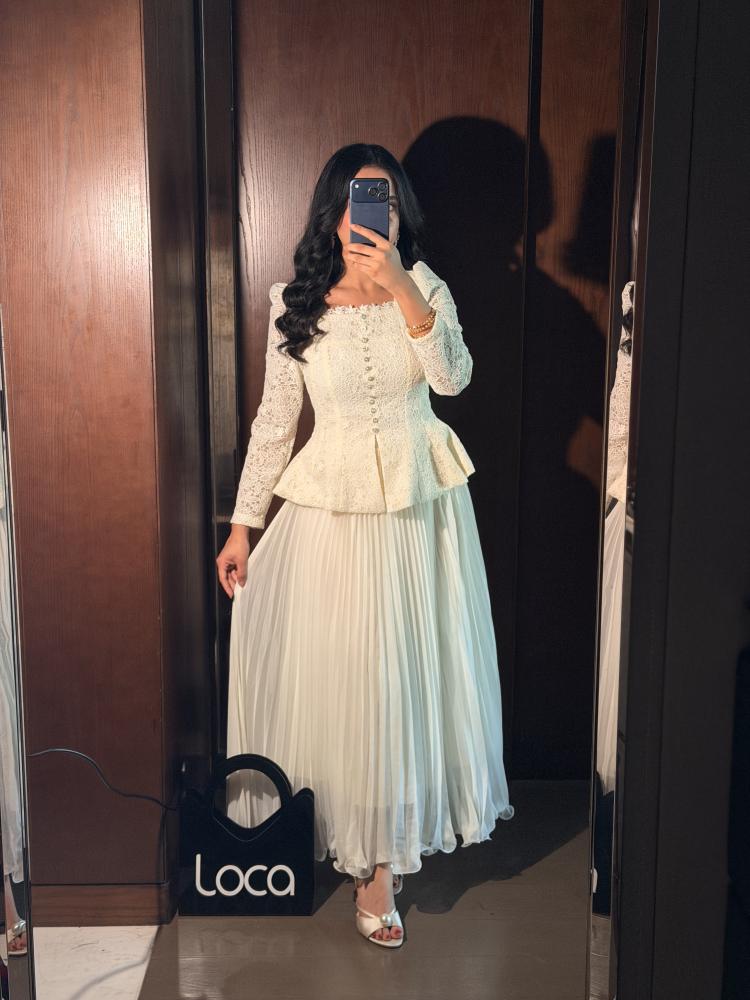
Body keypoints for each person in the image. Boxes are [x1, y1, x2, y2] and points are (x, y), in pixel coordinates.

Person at [216, 143, 514, 948]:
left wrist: (403, 287)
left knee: (408, 681)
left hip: (421, 516)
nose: (366, 214)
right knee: (352, 681)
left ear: (399, 211)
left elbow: (453, 379)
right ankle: (363, 847)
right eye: (355, 197)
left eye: (381, 198)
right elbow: (275, 422)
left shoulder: (426, 286)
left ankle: (383, 864)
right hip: (333, 521)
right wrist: (243, 524)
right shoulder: (295, 302)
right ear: (331, 210)